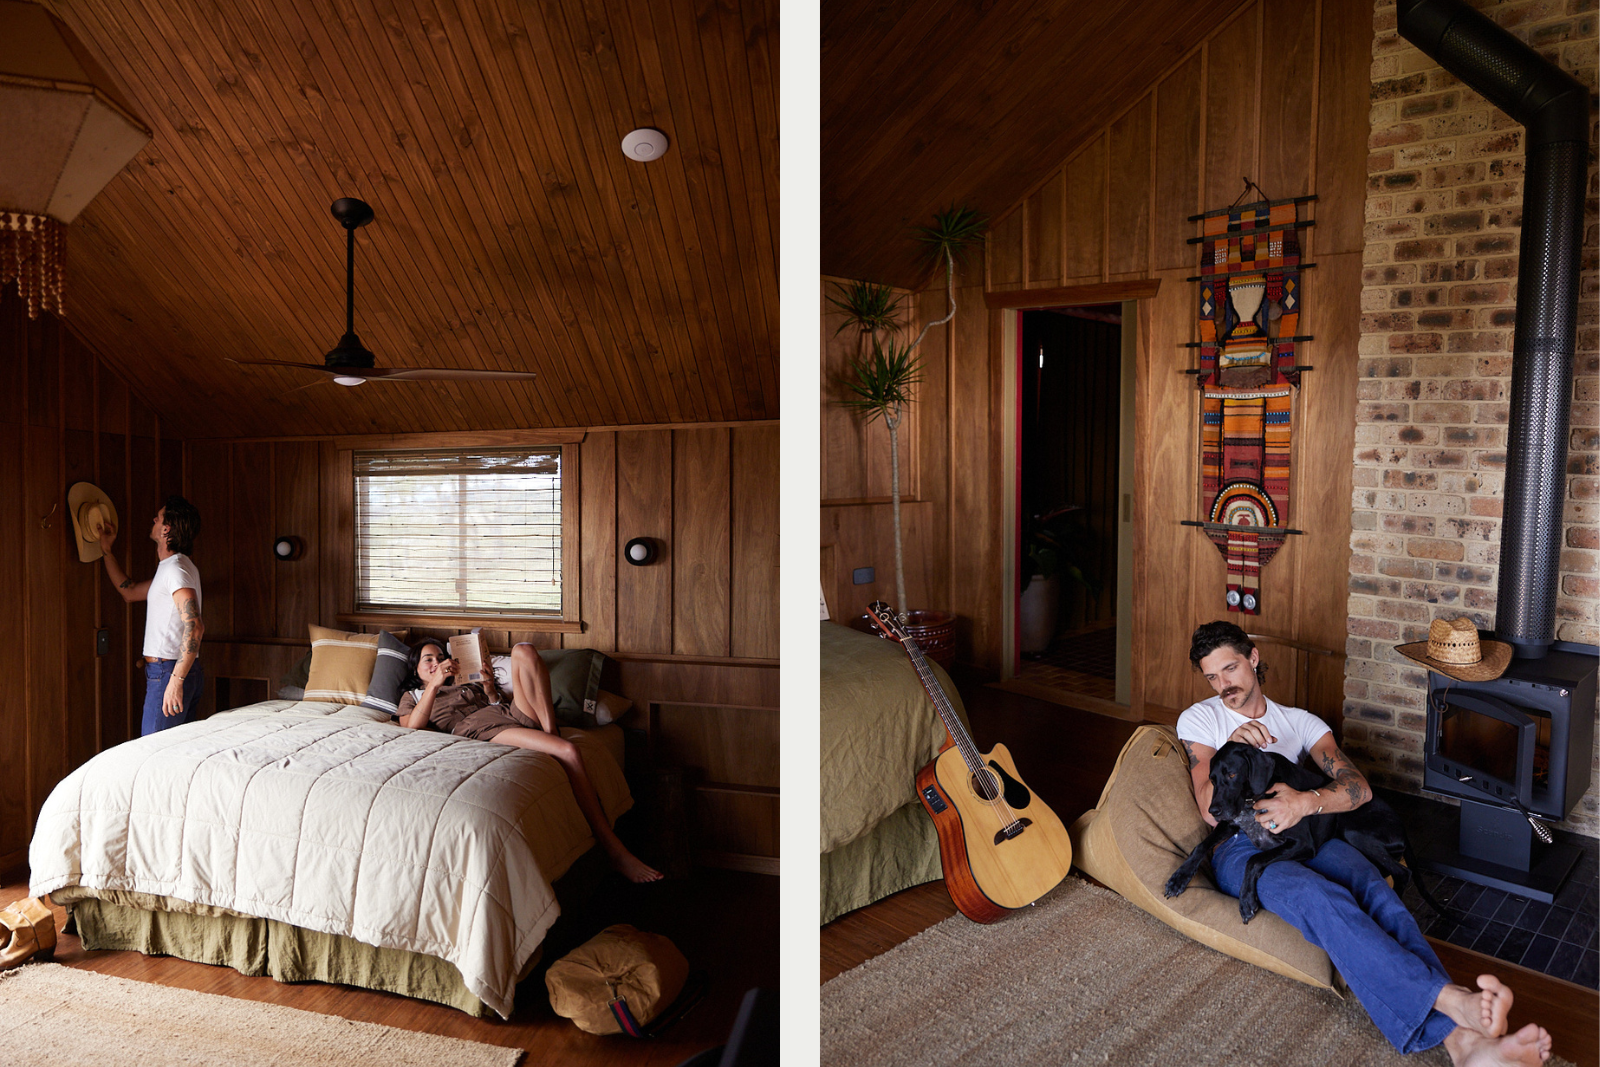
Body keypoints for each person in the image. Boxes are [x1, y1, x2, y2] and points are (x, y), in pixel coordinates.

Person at [1177, 620, 1552, 1067]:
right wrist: (1230, 746)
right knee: (1319, 896)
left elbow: (1358, 788)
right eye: (1212, 677)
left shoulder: (1300, 724)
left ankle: (1465, 1044)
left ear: (1254, 658)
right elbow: (1206, 808)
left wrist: (1306, 802)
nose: (1223, 685)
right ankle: (1454, 1005)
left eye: (1231, 669)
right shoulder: (1202, 718)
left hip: (1303, 836)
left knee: (1371, 886)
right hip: (1239, 848)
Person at [398, 637, 662, 884]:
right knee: (569, 751)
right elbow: (412, 727)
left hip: (504, 711)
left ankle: (550, 730)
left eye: (440, 657)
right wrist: (435, 684)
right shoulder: (414, 697)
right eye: (428, 660)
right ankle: (615, 850)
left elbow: (494, 704)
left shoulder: (464, 682)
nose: (437, 663)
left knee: (522, 649)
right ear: (416, 670)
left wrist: (489, 688)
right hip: (481, 730)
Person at [99, 497, 205, 736]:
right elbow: (129, 592)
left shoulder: (176, 570)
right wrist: (106, 550)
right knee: (172, 753)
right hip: (175, 670)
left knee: (154, 752)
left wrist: (175, 681)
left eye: (158, 517)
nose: (154, 520)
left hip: (169, 671)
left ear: (166, 528)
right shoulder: (175, 568)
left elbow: (195, 626)